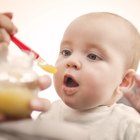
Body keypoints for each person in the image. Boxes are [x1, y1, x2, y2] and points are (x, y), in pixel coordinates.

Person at [0, 12, 140, 140]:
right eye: (66, 52)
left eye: (92, 56)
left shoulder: (130, 124)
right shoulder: (49, 113)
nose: (71, 61)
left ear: (124, 81)